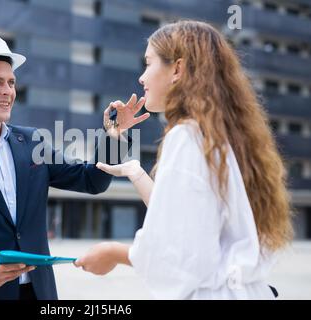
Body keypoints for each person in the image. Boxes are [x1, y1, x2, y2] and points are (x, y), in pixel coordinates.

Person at [0, 27, 149, 300]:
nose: (7, 91)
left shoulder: (32, 142)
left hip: (39, 293)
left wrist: (114, 137)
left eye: (11, 82)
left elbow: (92, 180)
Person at [75, 20, 293, 299]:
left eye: (148, 63)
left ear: (177, 69)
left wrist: (113, 253)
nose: (141, 78)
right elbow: (188, 219)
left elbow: (179, 256)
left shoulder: (186, 136)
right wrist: (135, 171)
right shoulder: (221, 135)